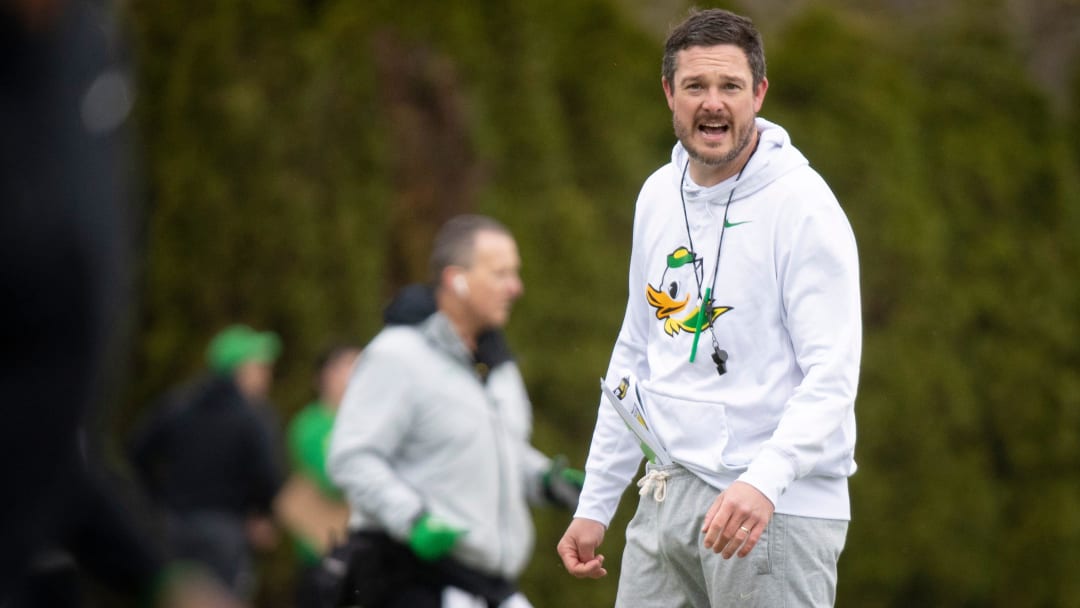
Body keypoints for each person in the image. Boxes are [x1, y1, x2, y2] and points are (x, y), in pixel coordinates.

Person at [557, 8, 862, 607]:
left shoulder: (803, 206)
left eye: (731, 86)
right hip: (666, 497)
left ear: (760, 94)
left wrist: (764, 481)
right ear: (669, 93)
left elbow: (832, 375)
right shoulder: (656, 195)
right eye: (695, 86)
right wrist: (596, 502)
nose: (713, 104)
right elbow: (635, 355)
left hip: (773, 511)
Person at [327, 215, 583, 608]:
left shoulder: (497, 366)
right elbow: (351, 456)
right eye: (500, 274)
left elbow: (496, 452)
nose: (516, 287)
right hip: (410, 580)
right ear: (455, 280)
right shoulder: (398, 355)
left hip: (486, 585)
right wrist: (413, 519)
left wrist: (543, 478)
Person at [129, 324, 286, 599]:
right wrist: (263, 513)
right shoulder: (252, 416)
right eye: (259, 367)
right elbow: (267, 475)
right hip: (224, 534)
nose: (266, 376)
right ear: (240, 369)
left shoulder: (178, 404)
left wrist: (155, 501)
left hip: (172, 527)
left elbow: (136, 452)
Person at [279, 344, 361, 606]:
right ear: (323, 376)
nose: (354, 374)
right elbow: (333, 478)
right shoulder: (312, 424)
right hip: (324, 552)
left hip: (365, 554)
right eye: (346, 365)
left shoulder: (366, 421)